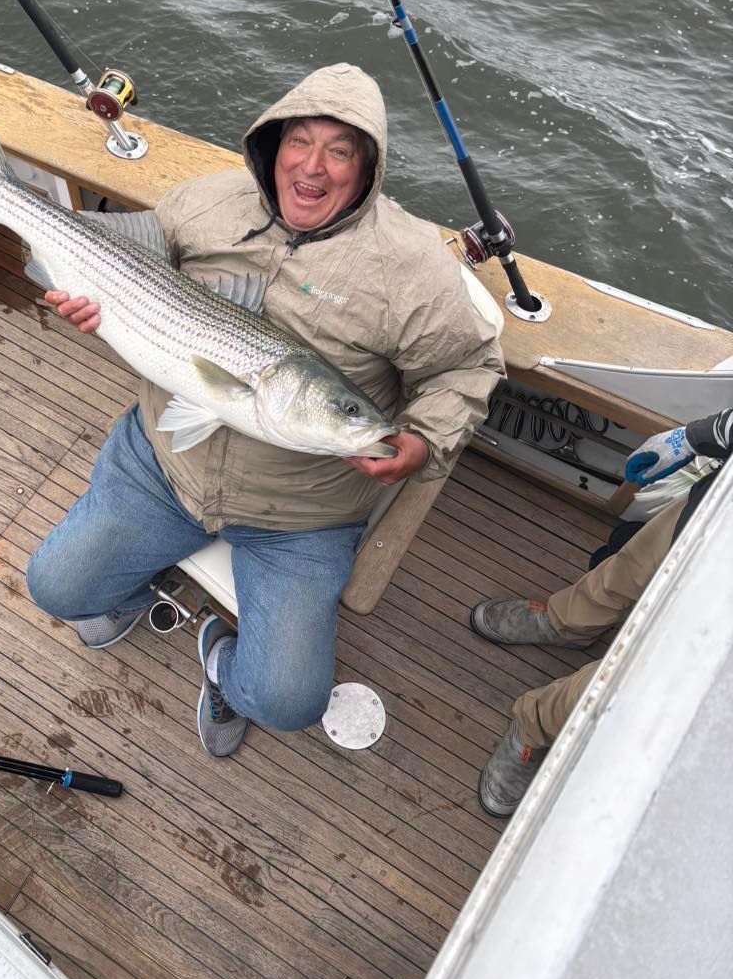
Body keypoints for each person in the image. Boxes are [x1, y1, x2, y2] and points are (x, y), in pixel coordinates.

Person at [27, 63, 504, 757]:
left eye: (340, 151)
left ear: (369, 167)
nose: (312, 168)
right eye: (298, 143)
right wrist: (96, 305)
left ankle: (226, 664)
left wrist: (423, 441)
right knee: (55, 588)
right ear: (270, 145)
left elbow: (469, 367)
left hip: (300, 517)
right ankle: (136, 580)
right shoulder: (204, 203)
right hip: (164, 462)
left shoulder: (414, 270)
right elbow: (134, 273)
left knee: (288, 702)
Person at [471, 408, 732, 816]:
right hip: (713, 510)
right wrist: (696, 437)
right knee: (629, 569)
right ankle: (564, 622)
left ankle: (534, 724)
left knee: (638, 677)